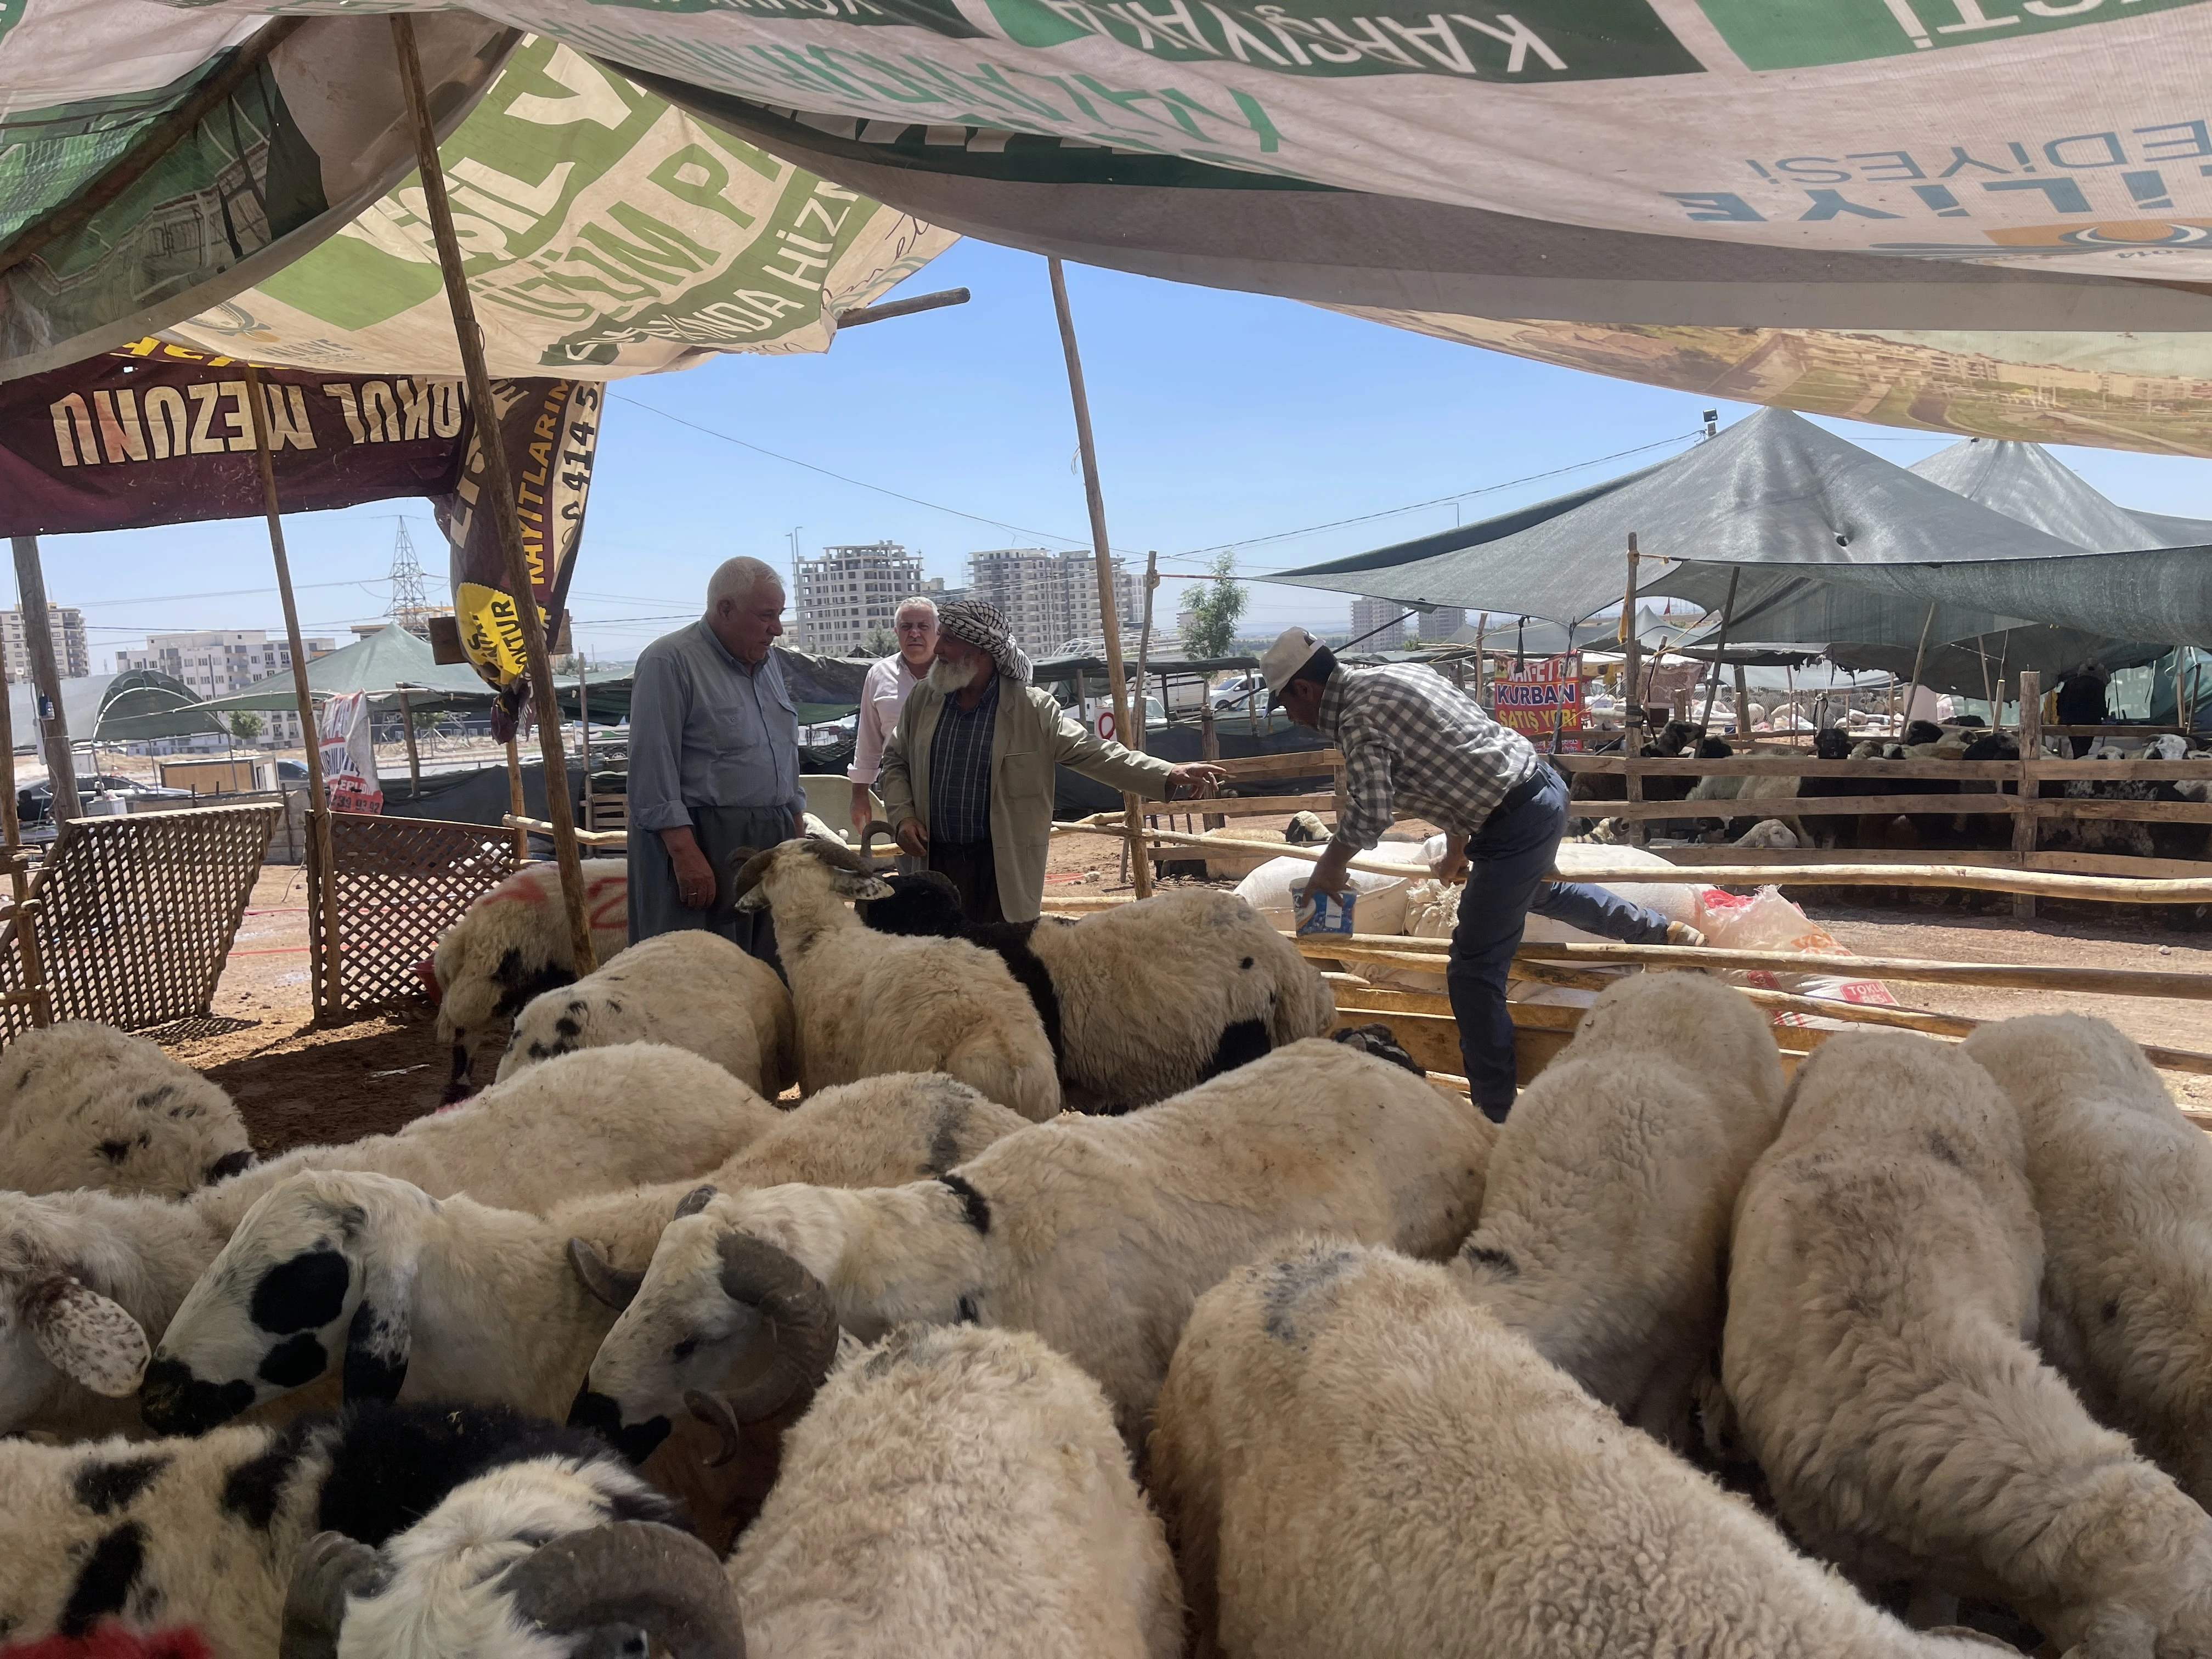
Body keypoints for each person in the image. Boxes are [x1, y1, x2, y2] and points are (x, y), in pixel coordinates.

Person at [1263, 626, 1703, 1124]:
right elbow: (1457, 760)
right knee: (1538, 893)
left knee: (1472, 973)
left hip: (1514, 817)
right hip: (1538, 787)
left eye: (1284, 705)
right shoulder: (1398, 676)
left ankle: (1495, 1115)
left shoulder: (1357, 720)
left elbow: (1371, 812)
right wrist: (1456, 848)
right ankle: (1661, 932)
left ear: (1303, 689)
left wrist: (1328, 867)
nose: (1291, 717)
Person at [878, 597, 1224, 924]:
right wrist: (904, 816)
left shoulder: (1033, 710)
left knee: (1000, 965)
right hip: (932, 861)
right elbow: (895, 761)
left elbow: (1096, 753)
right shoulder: (925, 699)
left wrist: (1169, 772)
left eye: (949, 640)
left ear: (980, 651)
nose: (937, 648)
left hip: (1001, 867)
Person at [626, 556, 806, 960]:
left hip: (771, 839)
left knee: (769, 973)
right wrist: (685, 854)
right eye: (766, 616)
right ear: (725, 608)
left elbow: (783, 750)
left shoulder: (766, 659)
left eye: (779, 616)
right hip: (705, 843)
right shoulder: (668, 660)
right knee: (699, 973)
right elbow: (652, 769)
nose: (776, 629)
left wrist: (796, 832)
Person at [848, 596, 938, 853]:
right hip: (899, 790)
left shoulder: (956, 674)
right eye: (907, 627)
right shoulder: (878, 675)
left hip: (947, 784)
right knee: (909, 863)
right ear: (896, 632)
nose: (915, 633)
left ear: (938, 631)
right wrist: (859, 794)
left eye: (923, 626)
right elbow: (868, 740)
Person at [2056, 660, 2109, 758]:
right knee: (2084, 746)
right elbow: (2100, 705)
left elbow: (2061, 702)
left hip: (2071, 721)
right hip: (2090, 722)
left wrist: (2061, 717)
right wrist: (2105, 715)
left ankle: (2078, 761)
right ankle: (2081, 762)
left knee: (2076, 746)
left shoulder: (2069, 684)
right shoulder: (2099, 685)